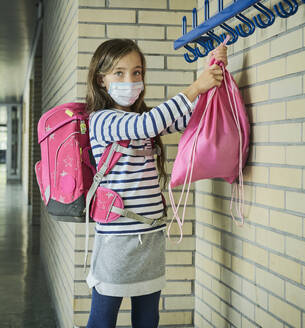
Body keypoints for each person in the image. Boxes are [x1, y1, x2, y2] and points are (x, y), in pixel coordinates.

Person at [85, 38, 228, 328]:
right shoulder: (102, 120)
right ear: (101, 81)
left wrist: (211, 69)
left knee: (148, 318)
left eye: (137, 72)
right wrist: (194, 87)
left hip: (150, 235)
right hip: (117, 240)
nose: (130, 79)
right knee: (103, 319)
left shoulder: (141, 118)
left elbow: (189, 118)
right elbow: (147, 124)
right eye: (119, 73)